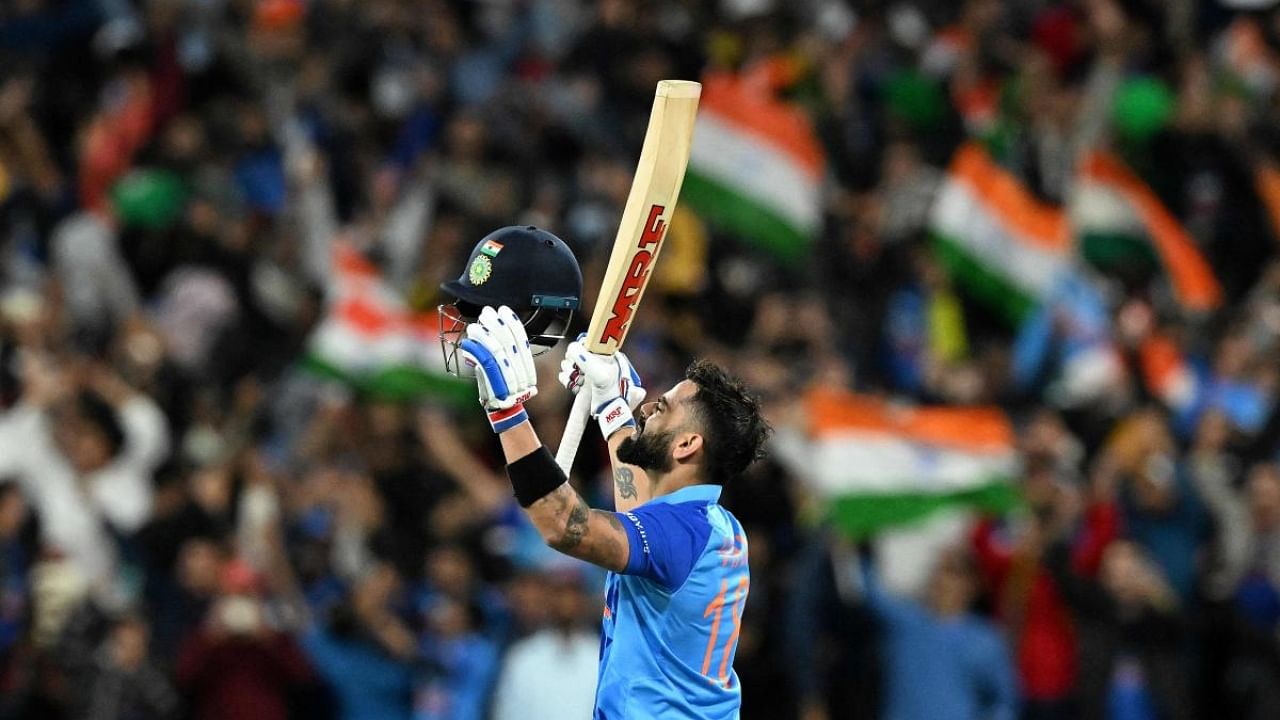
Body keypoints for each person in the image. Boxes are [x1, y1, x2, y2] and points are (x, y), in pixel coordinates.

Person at [452, 301, 771, 719]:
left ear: (688, 445)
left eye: (662, 409)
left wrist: (507, 413)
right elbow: (640, 511)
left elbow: (565, 525)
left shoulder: (679, 533)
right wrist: (611, 408)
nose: (646, 409)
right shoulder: (711, 526)